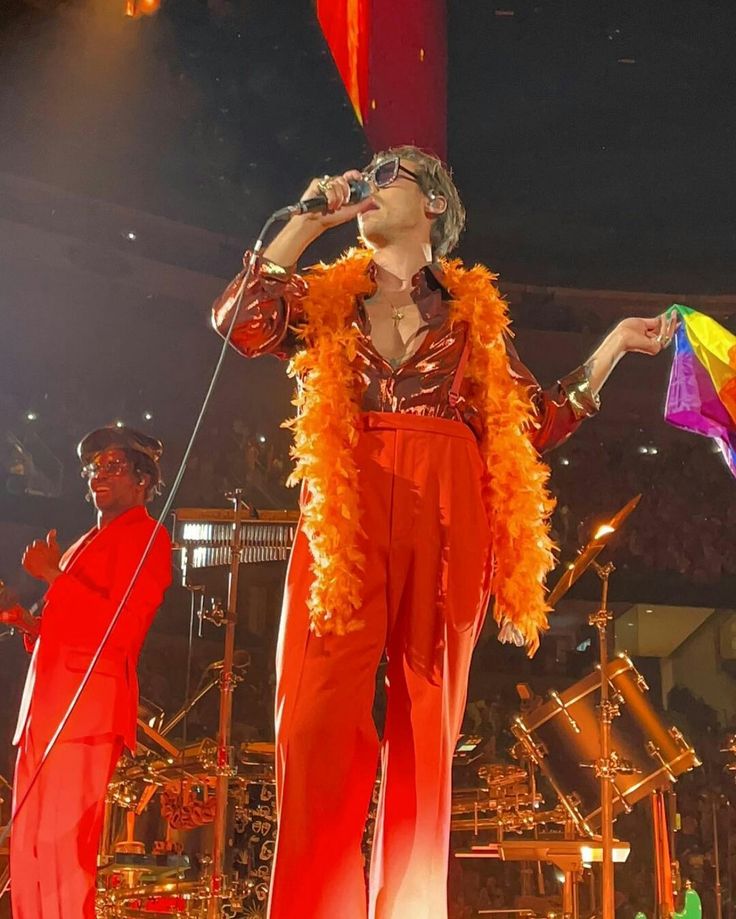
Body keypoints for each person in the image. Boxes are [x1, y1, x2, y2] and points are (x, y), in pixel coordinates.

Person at [211, 145, 676, 919]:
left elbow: (537, 420)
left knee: (428, 730)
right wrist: (303, 224)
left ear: (433, 203)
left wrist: (613, 348)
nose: (367, 181)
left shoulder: (470, 315)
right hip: (347, 503)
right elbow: (239, 323)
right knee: (317, 718)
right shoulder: (326, 297)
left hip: (446, 507)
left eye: (385, 173)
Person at [1, 425, 172, 918]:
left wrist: (54, 576)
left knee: (62, 847)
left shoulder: (148, 538)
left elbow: (119, 630)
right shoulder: (85, 542)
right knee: (30, 843)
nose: (99, 475)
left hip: (84, 712)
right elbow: (68, 626)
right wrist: (25, 619)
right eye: (94, 467)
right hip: (47, 707)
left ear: (143, 479)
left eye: (113, 466)